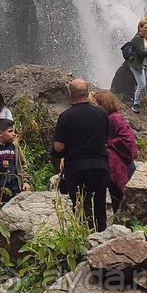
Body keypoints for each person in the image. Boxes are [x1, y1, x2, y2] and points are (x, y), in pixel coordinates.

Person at [53, 79, 110, 232]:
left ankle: (85, 237)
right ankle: (102, 235)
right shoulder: (101, 114)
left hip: (77, 168)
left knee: (80, 205)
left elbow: (58, 147)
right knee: (100, 204)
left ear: (71, 95)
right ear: (87, 93)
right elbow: (106, 138)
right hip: (100, 166)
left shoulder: (66, 116)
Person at [91, 90, 138, 212]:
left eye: (95, 104)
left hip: (123, 163)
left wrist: (109, 144)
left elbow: (127, 139)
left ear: (103, 105)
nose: (93, 107)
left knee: (121, 196)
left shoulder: (115, 118)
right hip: (116, 163)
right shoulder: (108, 118)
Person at [0, 119, 31, 210]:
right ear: (0, 133)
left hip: (14, 185)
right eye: (10, 131)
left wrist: (25, 181)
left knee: (16, 210)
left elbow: (23, 164)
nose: (14, 134)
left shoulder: (14, 146)